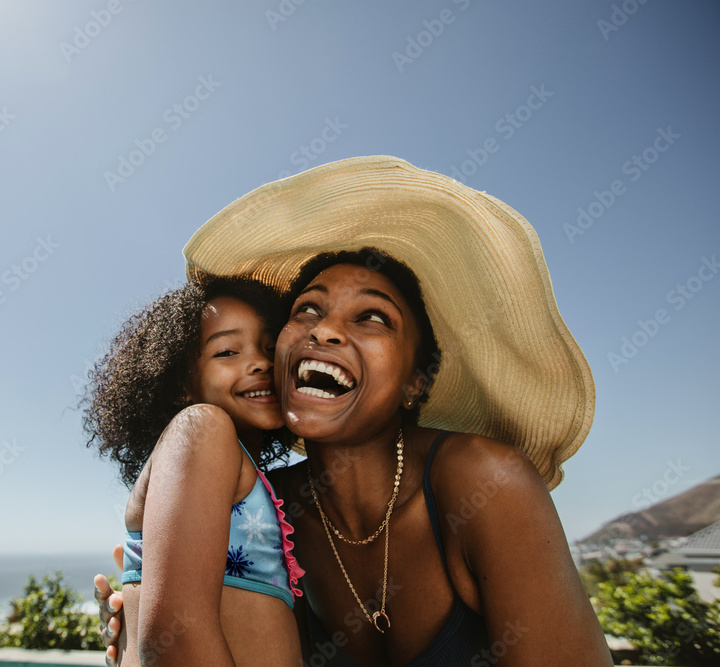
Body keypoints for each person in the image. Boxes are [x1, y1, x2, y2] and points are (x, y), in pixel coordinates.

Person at [96, 156, 613, 665]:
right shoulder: (268, 511)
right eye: (307, 311)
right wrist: (133, 622)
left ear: (416, 380)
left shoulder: (486, 483)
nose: (324, 330)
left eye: (372, 317)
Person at [83, 277, 305, 666]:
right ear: (181, 385)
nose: (261, 362)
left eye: (270, 348)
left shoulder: (243, 469)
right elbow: (175, 637)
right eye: (226, 352)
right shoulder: (204, 426)